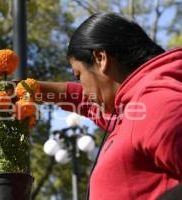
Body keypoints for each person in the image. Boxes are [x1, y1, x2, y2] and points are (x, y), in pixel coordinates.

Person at [36, 12, 182, 200]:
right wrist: (31, 89)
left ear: (100, 58)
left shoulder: (155, 102)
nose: (83, 88)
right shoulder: (132, 110)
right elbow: (83, 100)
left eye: (78, 75)